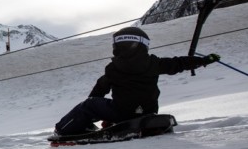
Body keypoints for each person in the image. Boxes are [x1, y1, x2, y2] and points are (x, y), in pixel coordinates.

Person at [54, 27, 220, 136]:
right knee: (109, 104)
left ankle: (62, 130)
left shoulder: (113, 68)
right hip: (149, 111)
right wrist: (204, 60)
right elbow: (178, 63)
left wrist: (103, 113)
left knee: (89, 105)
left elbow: (98, 92)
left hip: (122, 112)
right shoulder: (153, 63)